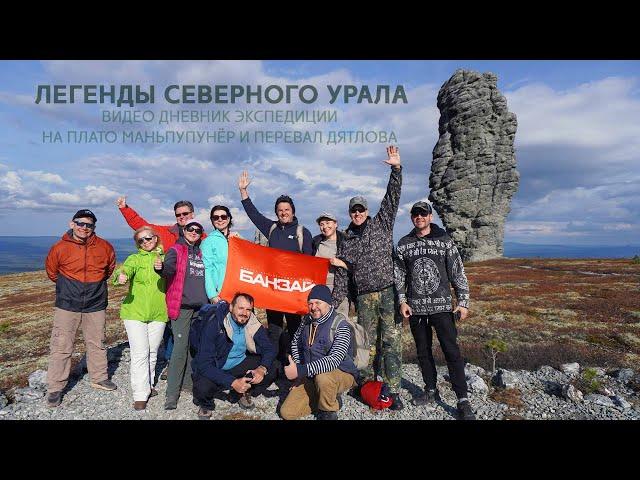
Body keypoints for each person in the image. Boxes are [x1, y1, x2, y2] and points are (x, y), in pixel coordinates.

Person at [331, 145, 404, 410]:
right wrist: (337, 298)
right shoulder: (346, 239)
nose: (358, 213)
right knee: (366, 344)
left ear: (366, 210)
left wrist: (396, 169)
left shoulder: (381, 223)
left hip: (387, 291)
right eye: (354, 210)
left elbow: (392, 197)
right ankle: (366, 386)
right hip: (363, 297)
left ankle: (394, 390)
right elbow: (344, 272)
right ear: (350, 213)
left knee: (392, 341)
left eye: (361, 209)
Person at [394, 201, 475, 420]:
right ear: (412, 218)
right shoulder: (403, 244)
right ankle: (430, 390)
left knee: (452, 351)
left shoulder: (445, 241)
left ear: (430, 217)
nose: (419, 217)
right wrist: (402, 301)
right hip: (416, 309)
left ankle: (462, 399)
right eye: (415, 214)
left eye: (423, 214)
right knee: (423, 352)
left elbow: (457, 272)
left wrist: (464, 301)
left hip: (442, 307)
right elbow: (399, 276)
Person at [115, 197, 207, 379]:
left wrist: (232, 237)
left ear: (192, 214)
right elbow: (141, 225)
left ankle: (185, 365)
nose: (181, 217)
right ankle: (172, 364)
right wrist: (125, 208)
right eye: (178, 214)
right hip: (168, 288)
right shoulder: (166, 232)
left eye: (185, 214)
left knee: (185, 330)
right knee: (169, 330)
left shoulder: (201, 236)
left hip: (189, 291)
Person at [44, 209, 116, 408]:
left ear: (94, 227)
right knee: (61, 346)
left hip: (95, 303)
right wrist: (70, 289)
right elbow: (52, 271)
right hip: (67, 304)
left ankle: (99, 377)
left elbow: (109, 270)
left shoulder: (105, 247)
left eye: (89, 225)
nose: (84, 228)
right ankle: (55, 388)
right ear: (72, 224)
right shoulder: (59, 247)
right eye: (80, 223)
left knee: (97, 342)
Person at [238, 171, 312, 350]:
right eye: (280, 210)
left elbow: (310, 264)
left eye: (287, 210)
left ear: (293, 211)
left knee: (296, 331)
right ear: (276, 213)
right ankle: (272, 368)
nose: (283, 213)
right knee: (274, 331)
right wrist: (243, 192)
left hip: (294, 293)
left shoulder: (302, 232)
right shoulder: (272, 229)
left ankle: (295, 369)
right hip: (274, 291)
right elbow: (254, 216)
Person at [191, 293, 278, 419]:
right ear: (231, 307)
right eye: (240, 308)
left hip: (239, 363)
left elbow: (269, 348)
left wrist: (262, 368)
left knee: (273, 366)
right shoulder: (215, 324)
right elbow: (204, 364)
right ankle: (206, 404)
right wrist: (232, 382)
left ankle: (241, 392)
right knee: (202, 388)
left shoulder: (251, 321)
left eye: (248, 309)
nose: (244, 313)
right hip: (217, 365)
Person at [280, 285, 358, 420]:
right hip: (311, 374)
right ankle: (329, 397)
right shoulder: (306, 321)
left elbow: (334, 360)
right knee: (287, 413)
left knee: (323, 378)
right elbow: (296, 345)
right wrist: (300, 376)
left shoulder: (340, 325)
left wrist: (300, 370)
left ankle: (328, 411)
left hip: (340, 373)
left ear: (328, 303)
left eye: (318, 303)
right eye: (310, 303)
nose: (313, 307)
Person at [155, 219, 208, 410]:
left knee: (194, 348)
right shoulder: (176, 250)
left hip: (201, 308)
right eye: (190, 229)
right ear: (183, 231)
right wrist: (160, 268)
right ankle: (171, 394)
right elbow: (168, 269)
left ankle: (188, 385)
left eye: (197, 230)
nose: (194, 232)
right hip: (183, 307)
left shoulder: (201, 252)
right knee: (179, 350)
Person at [113, 226, 168, 411]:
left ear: (155, 238)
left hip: (159, 312)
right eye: (141, 240)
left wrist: (164, 268)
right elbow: (126, 270)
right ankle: (139, 394)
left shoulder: (165, 258)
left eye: (149, 238)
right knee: (140, 353)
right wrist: (121, 276)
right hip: (134, 313)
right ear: (138, 244)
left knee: (153, 352)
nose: (146, 242)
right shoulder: (134, 258)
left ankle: (149, 385)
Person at [311, 212, 350, 318]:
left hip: (339, 290)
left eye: (328, 223)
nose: (325, 227)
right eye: (322, 224)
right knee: (321, 324)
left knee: (339, 324)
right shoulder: (316, 242)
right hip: (320, 289)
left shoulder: (346, 242)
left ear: (335, 224)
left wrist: (341, 263)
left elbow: (355, 268)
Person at [201, 205, 240, 304]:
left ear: (229, 218)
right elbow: (207, 269)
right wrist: (212, 294)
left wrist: (241, 241)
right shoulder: (208, 241)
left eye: (223, 216)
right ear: (212, 220)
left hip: (241, 291)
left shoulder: (237, 238)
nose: (220, 220)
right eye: (216, 217)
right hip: (221, 293)